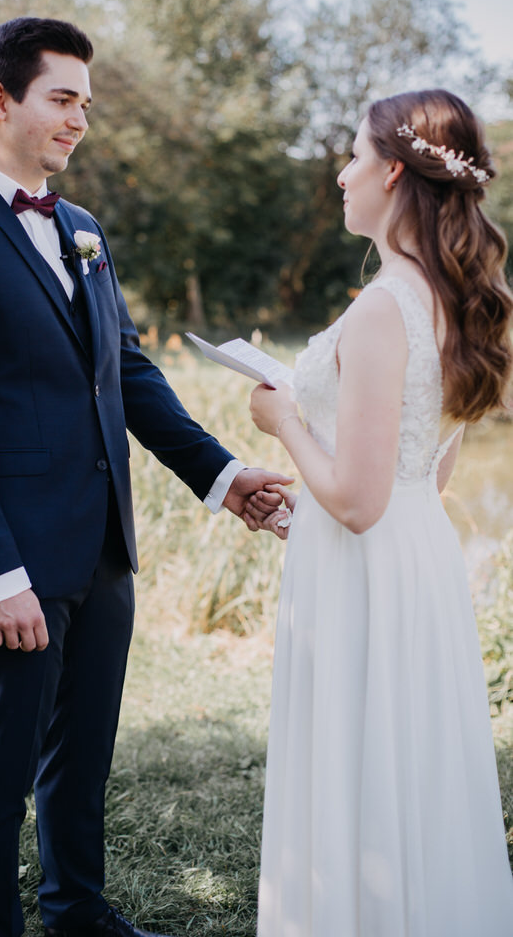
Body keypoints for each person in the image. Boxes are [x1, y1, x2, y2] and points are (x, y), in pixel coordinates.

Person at [0, 17, 290, 937]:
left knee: (83, 752)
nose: (79, 122)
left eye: (85, 105)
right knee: (3, 760)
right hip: (9, 555)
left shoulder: (83, 228)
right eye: (62, 100)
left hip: (103, 541)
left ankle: (76, 911)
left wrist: (222, 479)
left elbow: (127, 369)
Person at [248, 89, 513, 936]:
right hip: (418, 562)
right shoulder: (454, 300)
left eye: (354, 156)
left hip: (363, 567)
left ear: (393, 171)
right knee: (410, 765)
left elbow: (360, 505)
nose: (340, 173)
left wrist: (282, 416)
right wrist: (315, 500)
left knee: (356, 765)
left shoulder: (382, 309)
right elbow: (421, 478)